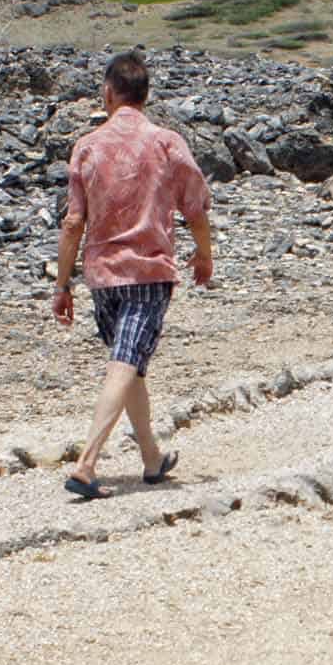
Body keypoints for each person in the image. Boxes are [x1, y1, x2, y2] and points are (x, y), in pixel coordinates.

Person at [51, 51, 215, 500]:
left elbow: (72, 223)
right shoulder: (167, 142)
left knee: (130, 365)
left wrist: (62, 284)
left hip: (102, 276)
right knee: (125, 364)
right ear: (145, 95)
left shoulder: (87, 146)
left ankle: (151, 458)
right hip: (148, 271)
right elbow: (196, 207)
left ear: (108, 92)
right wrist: (204, 254)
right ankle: (86, 463)